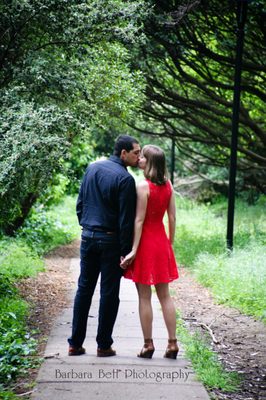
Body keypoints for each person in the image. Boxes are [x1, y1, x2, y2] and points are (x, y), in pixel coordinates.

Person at [68, 135, 141, 357]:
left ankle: (75, 344)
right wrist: (125, 251)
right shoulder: (126, 180)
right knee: (109, 293)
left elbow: (80, 205)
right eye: (136, 153)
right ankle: (103, 345)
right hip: (110, 241)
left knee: (84, 289)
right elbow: (126, 221)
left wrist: (87, 226)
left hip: (88, 238)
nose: (139, 157)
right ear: (123, 153)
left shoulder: (92, 168)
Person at [120, 144, 179, 359]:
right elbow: (172, 218)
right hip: (161, 242)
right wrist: (169, 244)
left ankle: (148, 344)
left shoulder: (142, 187)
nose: (140, 160)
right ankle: (172, 343)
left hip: (145, 244)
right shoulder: (168, 186)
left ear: (150, 162)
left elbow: (138, 220)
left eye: (143, 157)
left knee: (144, 296)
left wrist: (133, 249)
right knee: (165, 296)